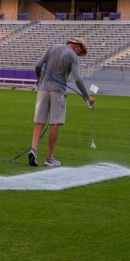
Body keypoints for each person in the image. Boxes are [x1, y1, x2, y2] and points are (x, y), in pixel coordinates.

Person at [29, 37, 94, 167]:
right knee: (54, 123)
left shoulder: (52, 47)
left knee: (39, 123)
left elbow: (37, 66)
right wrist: (87, 97)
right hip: (58, 92)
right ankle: (49, 158)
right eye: (80, 51)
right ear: (77, 46)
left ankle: (33, 150)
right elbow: (78, 79)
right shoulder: (73, 56)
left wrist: (40, 80)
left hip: (42, 90)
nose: (79, 54)